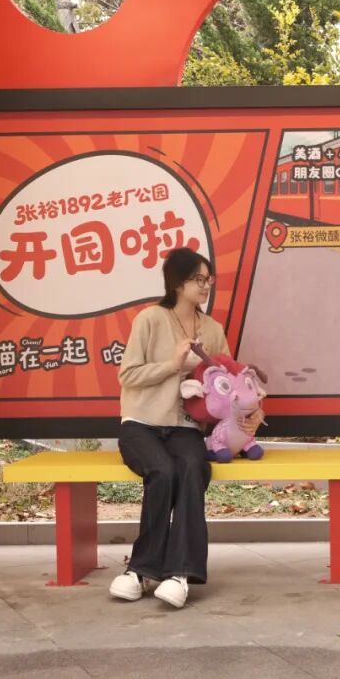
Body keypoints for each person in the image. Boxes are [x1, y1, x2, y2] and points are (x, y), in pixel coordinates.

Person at [108, 248, 263, 608]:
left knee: (193, 467)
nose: (206, 286)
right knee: (162, 471)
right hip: (141, 424)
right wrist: (173, 364)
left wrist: (250, 413)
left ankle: (180, 573)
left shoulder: (213, 330)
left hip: (186, 428)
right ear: (177, 282)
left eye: (209, 279)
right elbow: (128, 376)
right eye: (198, 279)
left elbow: (230, 383)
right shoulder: (150, 319)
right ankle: (141, 570)